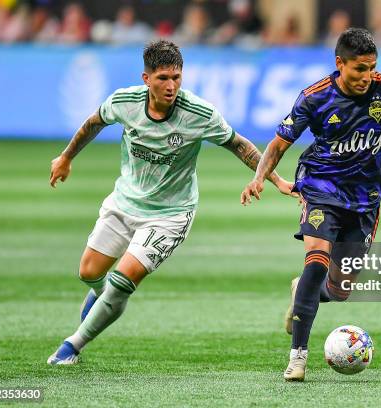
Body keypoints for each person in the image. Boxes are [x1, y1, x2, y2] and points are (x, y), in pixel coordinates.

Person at [47, 40, 294, 365]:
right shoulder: (124, 102)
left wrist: (272, 179)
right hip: (124, 201)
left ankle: (72, 347)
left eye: (177, 77)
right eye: (163, 78)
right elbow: (93, 122)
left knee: (122, 281)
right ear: (146, 78)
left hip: (170, 214)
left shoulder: (199, 113)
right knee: (89, 273)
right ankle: (101, 297)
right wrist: (66, 157)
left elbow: (238, 144)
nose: (171, 85)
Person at [240, 28, 381, 381]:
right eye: (359, 69)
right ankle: (298, 357)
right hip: (322, 187)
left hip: (366, 200)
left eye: (371, 68)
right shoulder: (314, 97)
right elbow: (278, 144)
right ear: (340, 64)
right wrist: (260, 177)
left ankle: (301, 290)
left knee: (339, 289)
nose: (366, 77)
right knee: (316, 261)